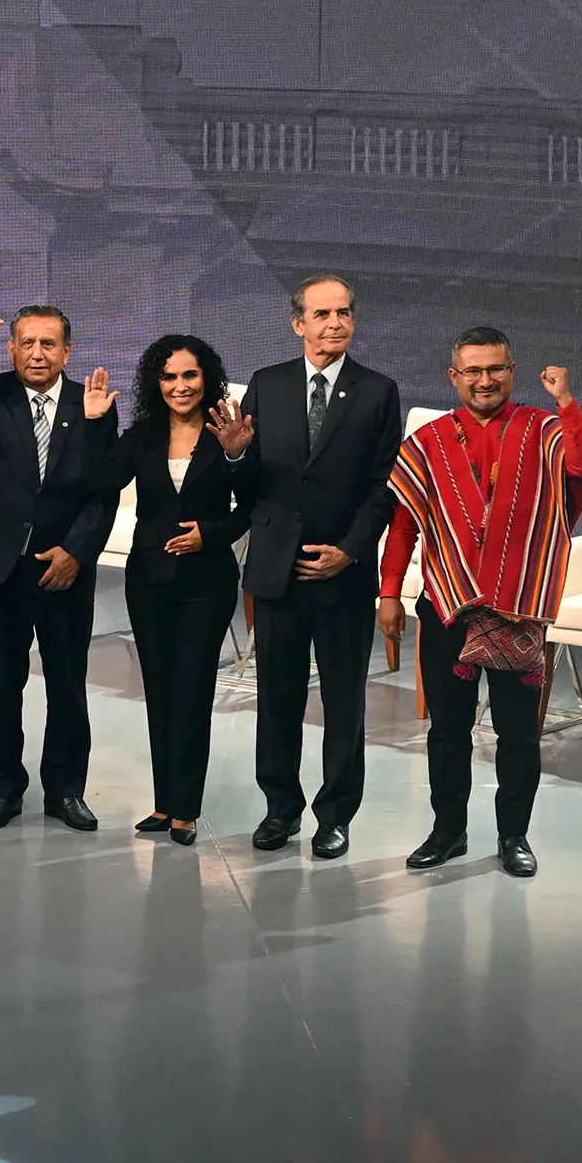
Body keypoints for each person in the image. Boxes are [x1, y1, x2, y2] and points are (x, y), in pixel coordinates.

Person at [378, 330, 582, 877]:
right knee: (447, 730)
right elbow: (404, 526)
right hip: (447, 604)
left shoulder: (544, 429)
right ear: (454, 376)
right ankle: (447, 831)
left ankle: (514, 836)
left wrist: (567, 402)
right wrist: (388, 593)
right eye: (473, 371)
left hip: (518, 606)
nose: (485, 381)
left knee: (519, 733)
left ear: (512, 370)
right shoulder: (427, 441)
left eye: (496, 369)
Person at [228, 274, 402, 860]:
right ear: (298, 322)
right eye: (322, 313)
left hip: (343, 573)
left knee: (344, 697)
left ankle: (335, 814)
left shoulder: (377, 391)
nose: (334, 322)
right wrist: (231, 453)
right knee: (276, 696)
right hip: (277, 570)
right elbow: (249, 483)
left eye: (344, 312)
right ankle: (280, 808)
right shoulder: (267, 384)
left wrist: (349, 551)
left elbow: (384, 486)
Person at [0, 292, 117, 831]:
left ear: (68, 351)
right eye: (27, 343)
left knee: (67, 685)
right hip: (0, 568)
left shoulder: (94, 402)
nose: (38, 353)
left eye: (49, 344)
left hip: (63, 570)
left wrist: (78, 552)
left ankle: (64, 791)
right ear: (10, 348)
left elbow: (103, 491)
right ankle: (2, 789)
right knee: (1, 683)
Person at [85, 335, 252, 846]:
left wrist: (212, 527)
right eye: (169, 377)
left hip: (207, 582)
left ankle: (186, 809)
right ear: (155, 384)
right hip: (150, 581)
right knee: (159, 690)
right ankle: (164, 803)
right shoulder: (142, 436)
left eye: (189, 376)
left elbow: (250, 508)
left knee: (192, 690)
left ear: (207, 379)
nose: (180, 386)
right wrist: (96, 425)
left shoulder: (228, 432)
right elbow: (100, 481)